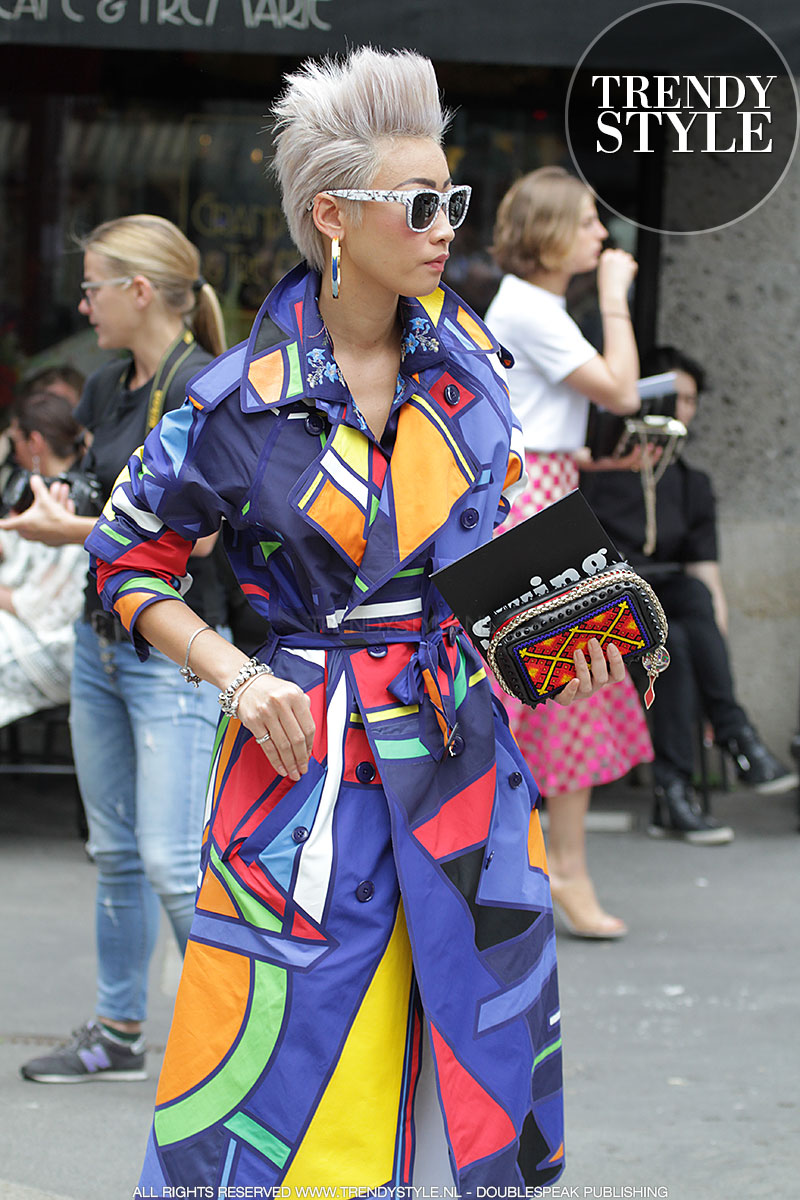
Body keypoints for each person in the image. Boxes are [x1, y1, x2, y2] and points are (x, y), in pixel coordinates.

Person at [80, 49, 626, 1193]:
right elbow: (127, 561)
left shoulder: (469, 367)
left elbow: (479, 560)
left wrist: (564, 633)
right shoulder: (233, 402)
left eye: (452, 201)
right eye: (419, 204)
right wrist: (236, 674)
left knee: (475, 1054)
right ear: (331, 216)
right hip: (300, 771)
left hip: (461, 758)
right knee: (283, 1058)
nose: (443, 226)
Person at [0, 215, 230, 1084]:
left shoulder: (204, 384)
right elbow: (104, 495)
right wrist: (57, 510)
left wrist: (73, 532)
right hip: (100, 643)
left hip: (172, 651)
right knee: (118, 852)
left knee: (174, 859)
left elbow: (198, 539)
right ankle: (119, 1032)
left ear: (139, 291)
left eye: (94, 285)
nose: (83, 301)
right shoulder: (104, 387)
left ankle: (238, 1047)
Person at [484, 166, 652, 939]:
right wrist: (616, 296)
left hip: (539, 496)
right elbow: (621, 391)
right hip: (534, 510)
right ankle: (558, 872)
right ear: (552, 231)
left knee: (563, 684)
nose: (601, 235)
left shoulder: (530, 306)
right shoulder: (532, 307)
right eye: (587, 221)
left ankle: (541, 871)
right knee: (573, 681)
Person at [581, 345, 798, 843]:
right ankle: (726, 746)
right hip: (610, 606)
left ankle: (689, 776)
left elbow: (706, 577)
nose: (683, 410)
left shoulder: (692, 483)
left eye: (691, 401)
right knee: (670, 635)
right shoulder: (598, 474)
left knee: (682, 628)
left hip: (669, 606)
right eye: (673, 397)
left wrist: (714, 647)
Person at [0, 391, 89, 726]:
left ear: (33, 441)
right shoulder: (40, 488)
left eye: (15, 441)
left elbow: (42, 606)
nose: (13, 452)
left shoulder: (68, 498)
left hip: (56, 645)